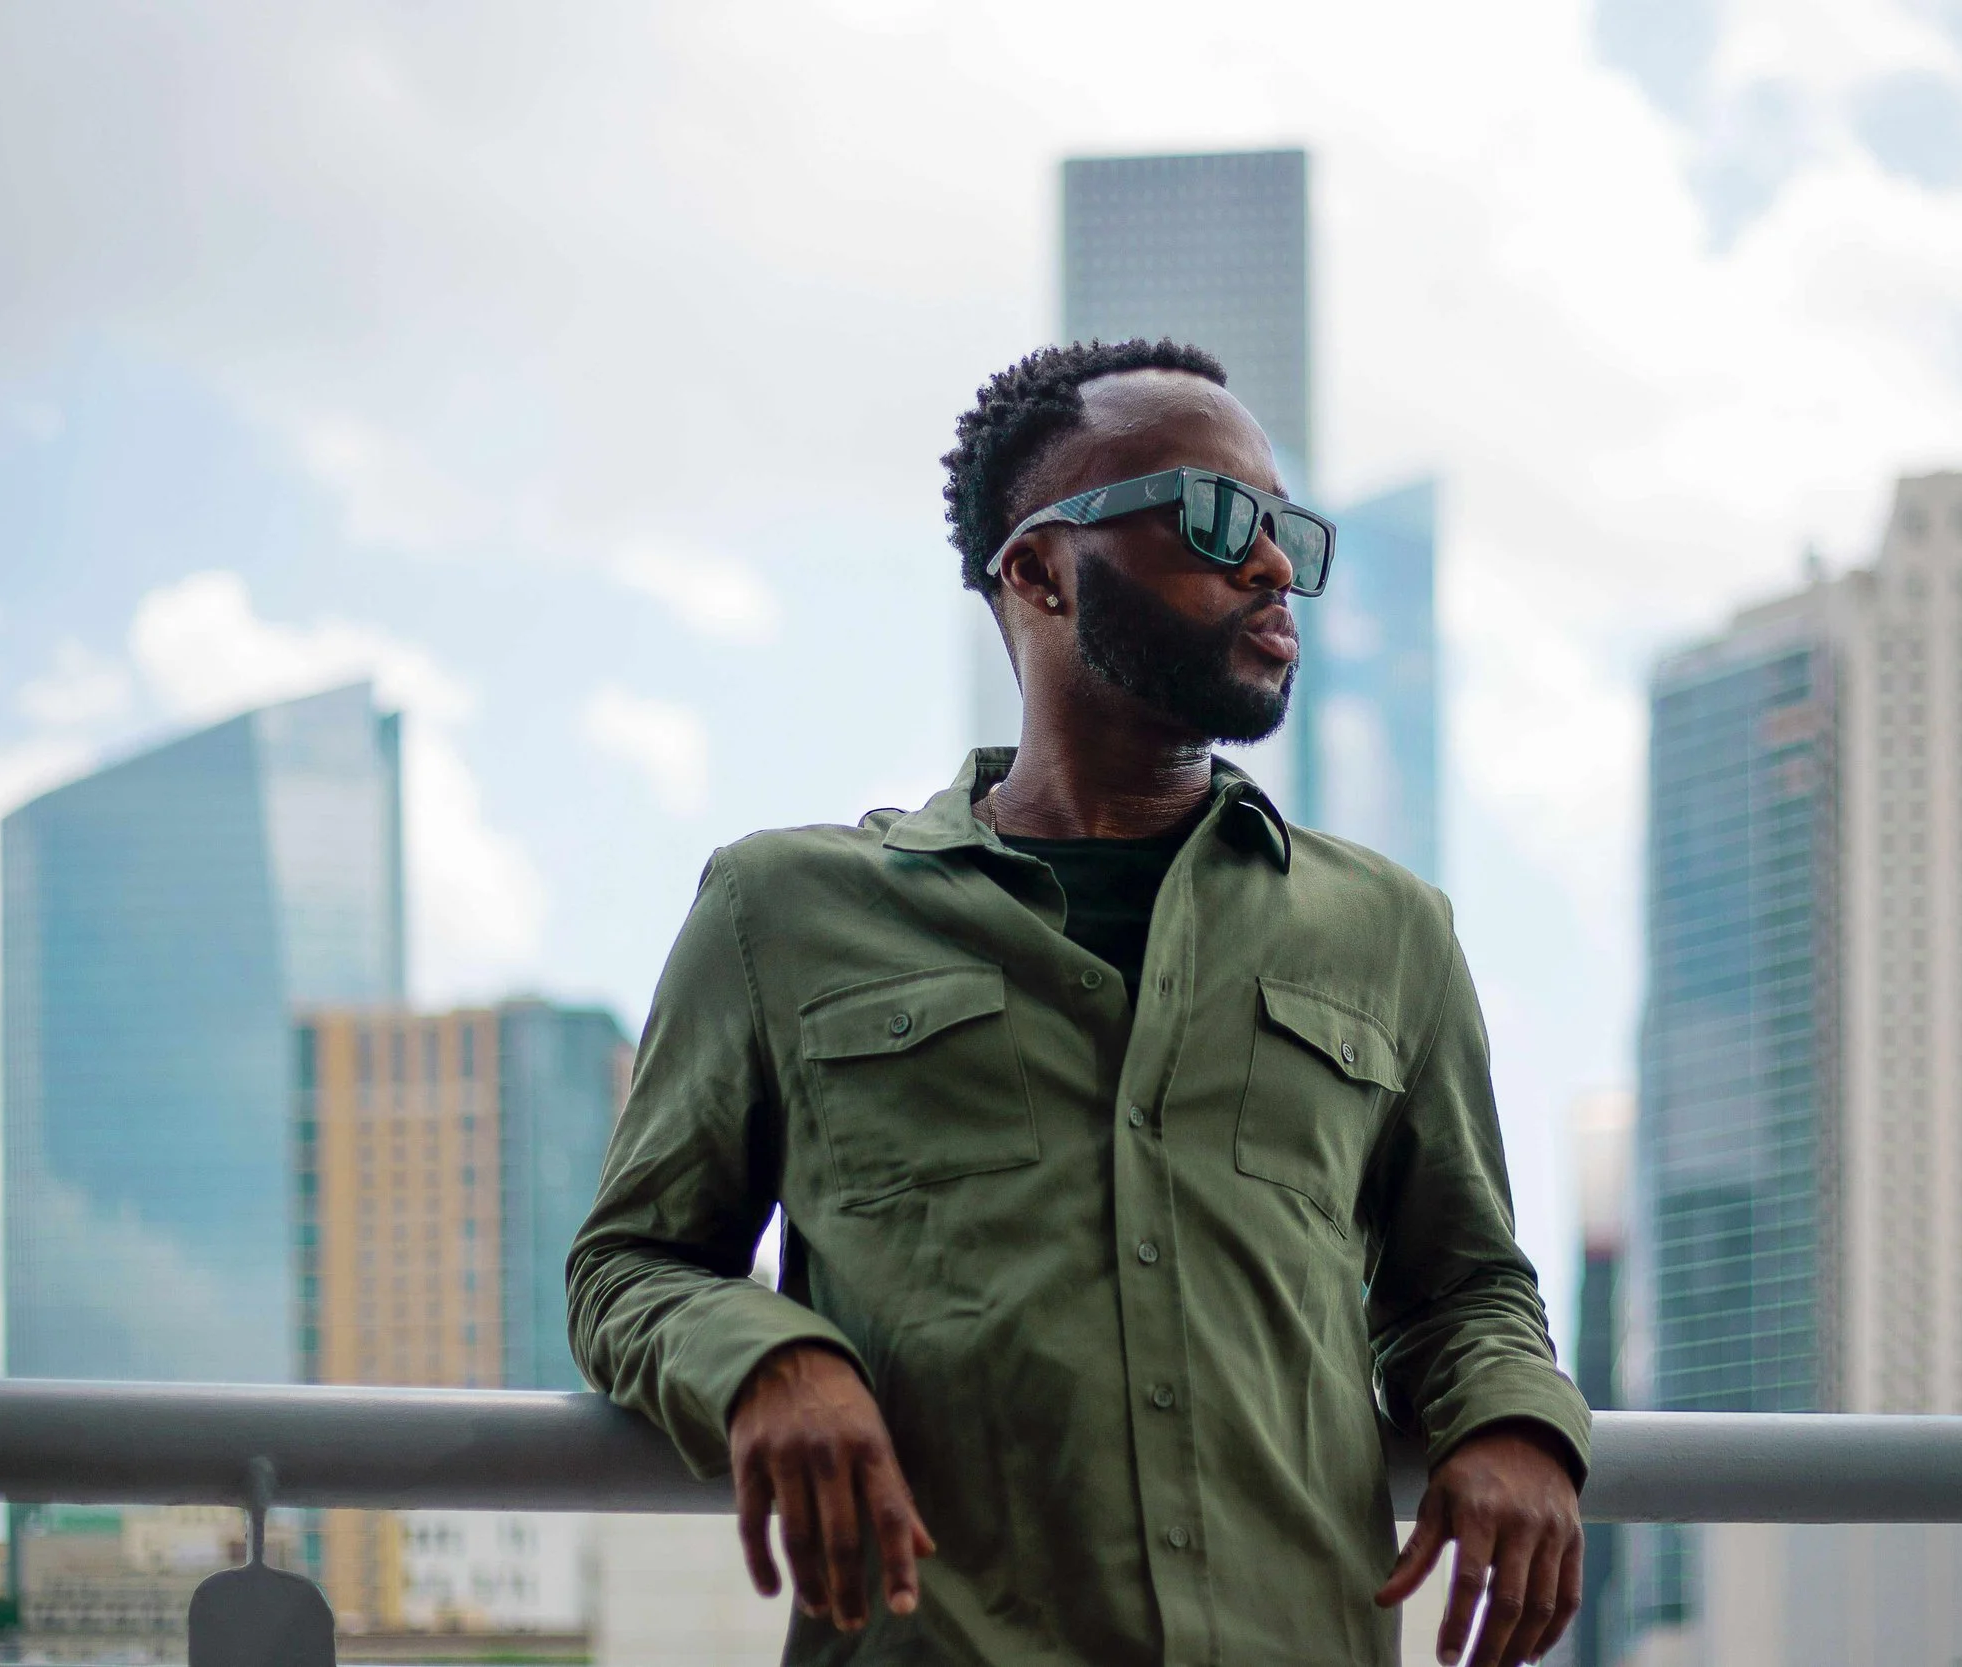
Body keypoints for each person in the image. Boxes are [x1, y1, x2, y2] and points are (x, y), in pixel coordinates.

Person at [568, 339, 1591, 1667]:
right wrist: (769, 1359)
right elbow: (629, 1265)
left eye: (1287, 530)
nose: (1272, 563)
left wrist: (1513, 1420)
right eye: (1216, 519)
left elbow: (1465, 1288)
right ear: (1041, 569)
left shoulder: (1390, 932)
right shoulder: (781, 913)